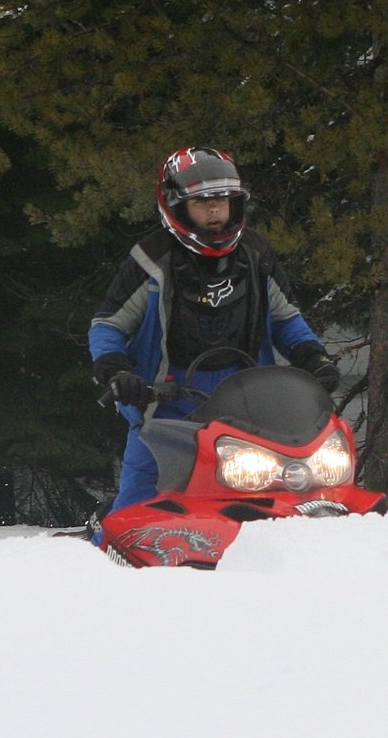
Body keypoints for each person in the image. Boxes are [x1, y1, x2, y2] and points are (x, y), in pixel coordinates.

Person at [89, 147, 337, 512]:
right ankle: (108, 546)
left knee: (282, 498)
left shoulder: (256, 255)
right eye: (202, 203)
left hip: (250, 405)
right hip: (165, 408)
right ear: (176, 206)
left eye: (222, 201)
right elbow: (108, 325)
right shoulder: (151, 259)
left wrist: (313, 357)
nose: (214, 212)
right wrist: (116, 371)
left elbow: (286, 319)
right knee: (136, 508)